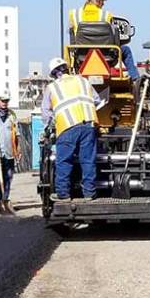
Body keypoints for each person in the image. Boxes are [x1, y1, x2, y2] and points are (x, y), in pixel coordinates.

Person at [41, 57, 101, 200]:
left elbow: (46, 112)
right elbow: (97, 100)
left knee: (64, 161)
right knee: (88, 160)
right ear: (66, 68)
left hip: (67, 126)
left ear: (54, 73)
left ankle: (63, 194)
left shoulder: (52, 87)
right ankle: (89, 194)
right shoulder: (83, 81)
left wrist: (49, 128)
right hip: (89, 124)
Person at [69, 0, 140, 83]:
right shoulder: (106, 15)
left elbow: (72, 37)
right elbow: (113, 39)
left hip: (81, 56)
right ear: (98, 0)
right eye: (103, 1)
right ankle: (135, 78)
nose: (103, 4)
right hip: (105, 56)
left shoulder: (74, 14)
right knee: (126, 50)